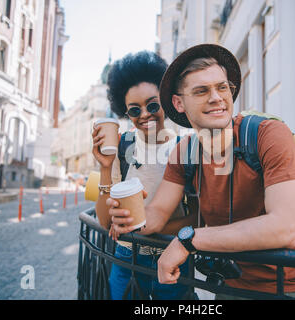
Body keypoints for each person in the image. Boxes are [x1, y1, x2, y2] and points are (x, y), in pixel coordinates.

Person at [107, 44, 295, 300]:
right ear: (178, 103)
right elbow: (158, 214)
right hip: (226, 284)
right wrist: (130, 219)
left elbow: (284, 227)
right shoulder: (184, 151)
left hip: (282, 287)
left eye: (222, 87)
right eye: (202, 91)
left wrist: (188, 240)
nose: (216, 97)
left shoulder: (268, 133)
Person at [91, 51, 196, 300]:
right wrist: (105, 167)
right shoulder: (121, 146)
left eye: (152, 105)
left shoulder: (186, 148)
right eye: (134, 110)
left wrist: (142, 228)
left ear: (166, 102)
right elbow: (105, 222)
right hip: (126, 258)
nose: (145, 115)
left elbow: (198, 217)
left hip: (172, 257)